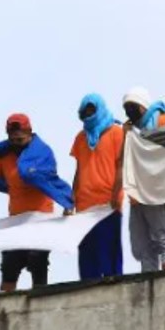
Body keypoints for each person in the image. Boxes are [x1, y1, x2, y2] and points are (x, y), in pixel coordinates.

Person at [0, 114, 74, 291]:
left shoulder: (42, 153)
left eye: (20, 132)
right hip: (16, 222)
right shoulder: (5, 156)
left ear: (29, 131)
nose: (17, 136)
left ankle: (39, 307)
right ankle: (3, 310)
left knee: (38, 264)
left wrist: (67, 203)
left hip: (41, 221)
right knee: (9, 268)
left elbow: (51, 180)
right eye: (13, 133)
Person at [120, 86, 165, 273]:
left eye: (132, 106)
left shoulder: (163, 121)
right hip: (138, 195)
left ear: (143, 106)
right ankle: (149, 283)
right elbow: (125, 160)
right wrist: (126, 137)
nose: (129, 111)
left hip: (159, 191)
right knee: (142, 245)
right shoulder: (133, 131)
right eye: (126, 108)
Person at [70, 93, 125, 279]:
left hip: (107, 204)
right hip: (84, 205)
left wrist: (116, 195)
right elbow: (78, 170)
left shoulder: (116, 132)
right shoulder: (80, 137)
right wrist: (71, 200)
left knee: (109, 254)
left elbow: (121, 166)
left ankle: (114, 288)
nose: (88, 114)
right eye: (85, 111)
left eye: (92, 109)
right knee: (87, 255)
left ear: (100, 108)